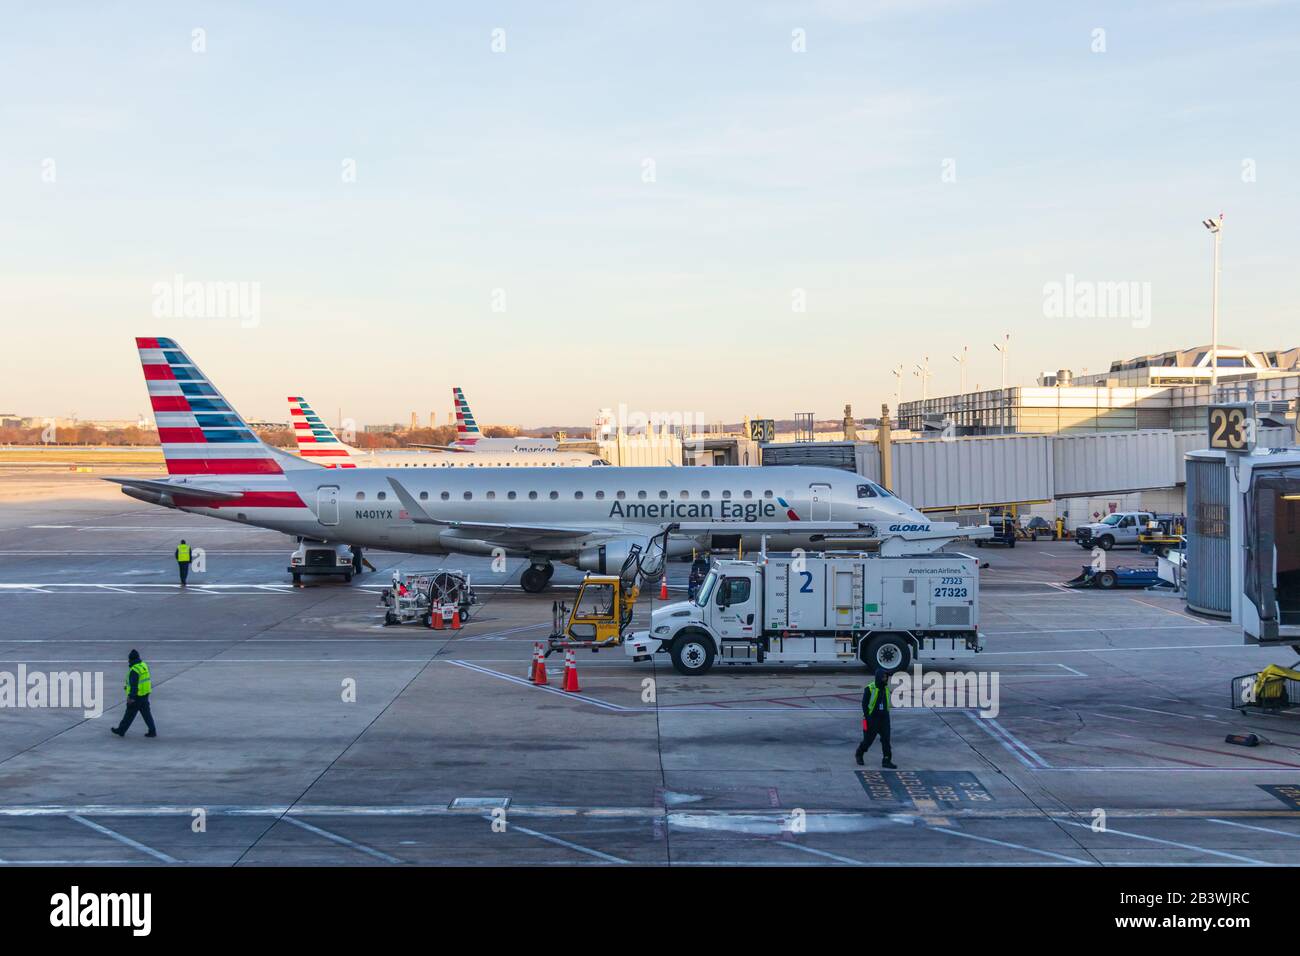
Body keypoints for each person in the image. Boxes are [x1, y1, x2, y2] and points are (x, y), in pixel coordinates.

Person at [855, 667, 896, 769]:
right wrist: (868, 718)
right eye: (884, 677)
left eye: (887, 677)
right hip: (871, 718)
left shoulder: (886, 689)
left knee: (886, 740)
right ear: (878, 678)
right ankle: (859, 754)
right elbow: (864, 705)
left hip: (884, 718)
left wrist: (886, 714)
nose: (886, 679)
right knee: (868, 740)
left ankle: (886, 760)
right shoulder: (869, 689)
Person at [112, 649, 157, 738]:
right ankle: (152, 731)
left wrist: (131, 697)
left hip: (137, 696)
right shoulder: (143, 665)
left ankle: (121, 730)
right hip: (145, 694)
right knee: (146, 714)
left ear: (130, 659)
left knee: (129, 714)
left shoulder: (134, 670)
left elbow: (134, 685)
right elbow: (143, 681)